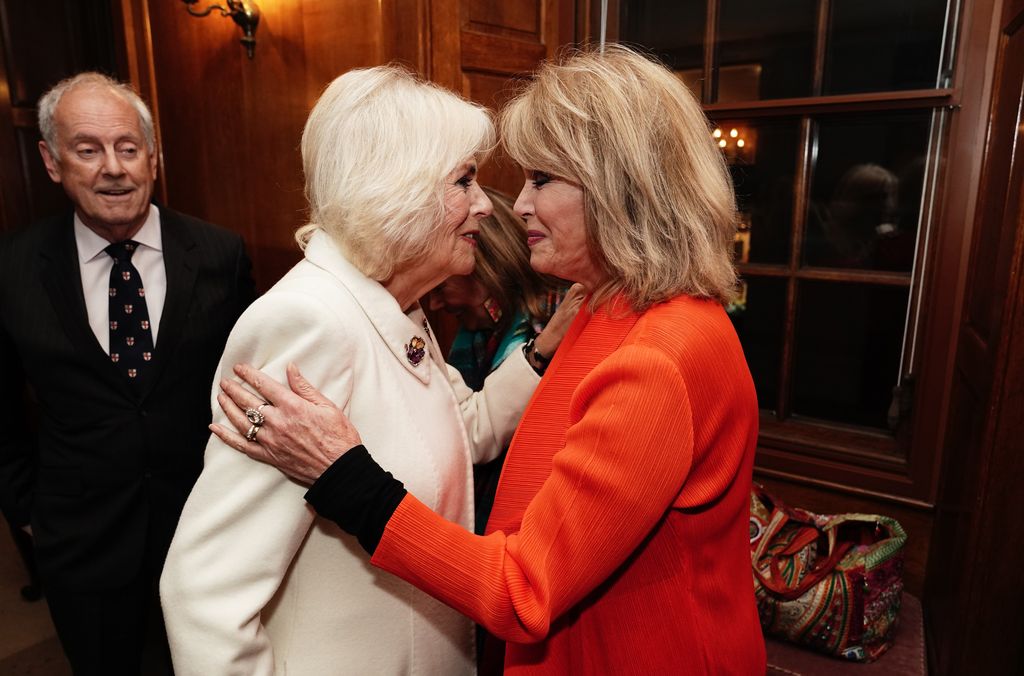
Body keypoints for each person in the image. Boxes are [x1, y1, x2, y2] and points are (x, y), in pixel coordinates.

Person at [213, 45, 766, 674]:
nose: (516, 204)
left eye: (541, 179)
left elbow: (523, 587)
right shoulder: (603, 306)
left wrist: (346, 478)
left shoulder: (659, 354)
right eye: (475, 180)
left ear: (618, 188)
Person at [160, 65, 577, 675]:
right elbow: (205, 591)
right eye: (465, 180)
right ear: (396, 192)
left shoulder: (390, 303)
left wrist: (543, 351)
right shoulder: (312, 322)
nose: (488, 206)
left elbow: (461, 433)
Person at [0, 72, 255, 675]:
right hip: (79, 542)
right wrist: (28, 510)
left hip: (206, 530)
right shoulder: (12, 268)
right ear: (52, 161)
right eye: (87, 150)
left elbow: (250, 385)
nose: (113, 168)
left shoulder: (220, 255)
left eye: (128, 147)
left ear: (153, 156)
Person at [428, 187, 584, 534]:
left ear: (482, 263)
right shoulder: (477, 334)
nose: (435, 305)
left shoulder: (561, 314)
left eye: (439, 288)